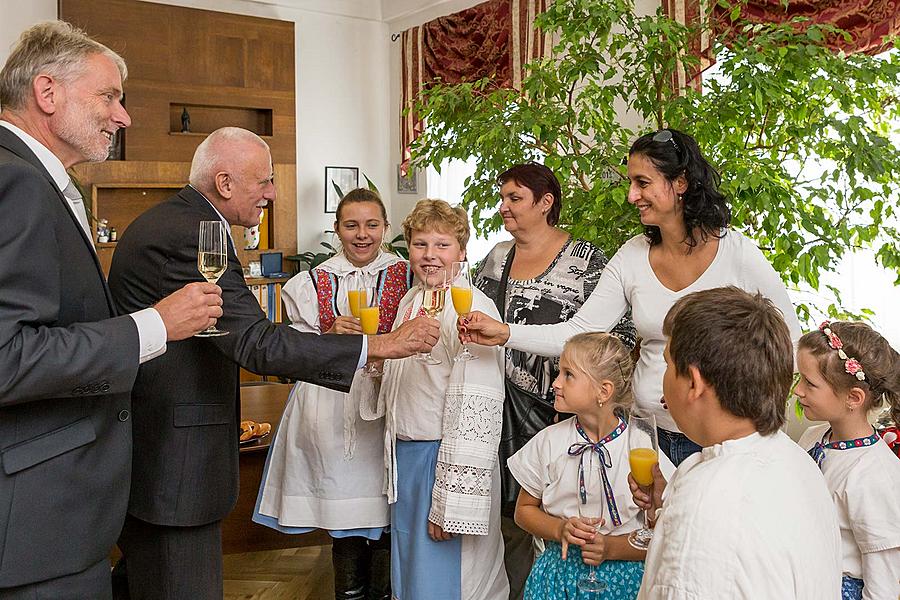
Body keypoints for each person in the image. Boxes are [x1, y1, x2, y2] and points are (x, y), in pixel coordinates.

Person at [107, 127, 439, 600]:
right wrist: (381, 346)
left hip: (160, 450)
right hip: (173, 461)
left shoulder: (179, 222)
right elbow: (258, 344)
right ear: (224, 184)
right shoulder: (194, 234)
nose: (273, 192)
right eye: (263, 181)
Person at [0, 21, 222, 598]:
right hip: (39, 527)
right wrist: (156, 325)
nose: (123, 116)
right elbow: (7, 357)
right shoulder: (17, 184)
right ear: (47, 93)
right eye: (109, 96)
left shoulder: (32, 180)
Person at [460, 129, 801, 466]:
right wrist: (505, 333)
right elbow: (578, 331)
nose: (631, 195)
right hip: (646, 436)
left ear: (679, 183)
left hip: (720, 444)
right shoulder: (632, 256)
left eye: (642, 182)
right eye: (631, 183)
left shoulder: (737, 253)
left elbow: (789, 344)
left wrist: (747, 413)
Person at [473, 162, 635, 598]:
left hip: (563, 408)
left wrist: (580, 380)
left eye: (515, 198)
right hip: (501, 406)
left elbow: (617, 336)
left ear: (546, 203)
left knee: (573, 504)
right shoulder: (493, 258)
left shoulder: (585, 260)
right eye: (503, 197)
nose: (504, 206)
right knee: (513, 517)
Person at [631, 286, 840, 599]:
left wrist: (682, 513)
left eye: (668, 365)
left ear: (694, 382)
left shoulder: (703, 512)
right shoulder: (795, 460)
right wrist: (666, 504)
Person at [254, 188, 411, 600]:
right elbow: (295, 351)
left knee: (386, 514)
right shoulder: (310, 282)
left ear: (386, 228)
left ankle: (382, 593)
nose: (363, 235)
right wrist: (328, 338)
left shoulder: (409, 275)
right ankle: (350, 594)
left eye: (372, 225)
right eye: (352, 225)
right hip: (331, 403)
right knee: (345, 518)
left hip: (389, 402)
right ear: (337, 229)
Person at [362, 199, 509, 599]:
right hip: (408, 459)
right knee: (410, 579)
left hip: (445, 460)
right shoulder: (411, 301)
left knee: (444, 583)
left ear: (462, 252)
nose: (430, 256)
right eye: (420, 244)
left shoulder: (473, 307)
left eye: (442, 245)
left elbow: (477, 406)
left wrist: (452, 503)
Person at [508, 333, 674, 600]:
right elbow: (524, 511)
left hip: (624, 580)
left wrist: (610, 547)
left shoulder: (641, 444)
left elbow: (663, 532)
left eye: (568, 374)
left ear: (603, 391)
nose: (556, 383)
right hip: (557, 576)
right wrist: (559, 529)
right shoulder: (549, 441)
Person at [794, 321, 900, 600]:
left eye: (810, 383)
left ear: (854, 397)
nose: (798, 391)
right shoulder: (812, 437)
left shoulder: (875, 476)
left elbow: (885, 585)